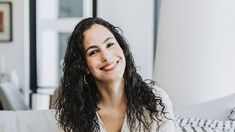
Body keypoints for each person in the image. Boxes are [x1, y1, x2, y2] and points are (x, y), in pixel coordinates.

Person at [56, 17, 179, 132]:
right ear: (84, 66)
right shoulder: (72, 115)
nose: (106, 56)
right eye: (93, 52)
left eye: (109, 44)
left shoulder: (156, 100)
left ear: (122, 48)